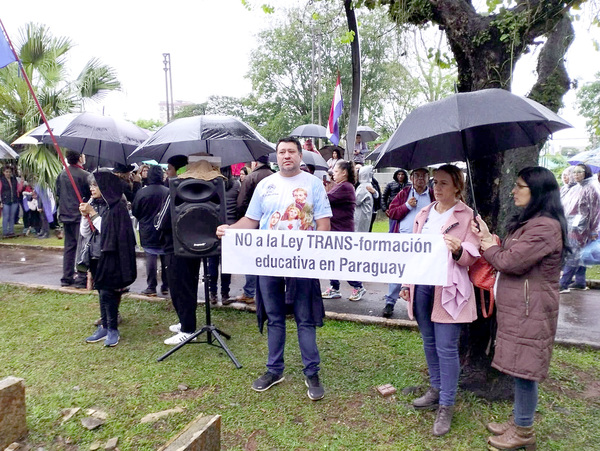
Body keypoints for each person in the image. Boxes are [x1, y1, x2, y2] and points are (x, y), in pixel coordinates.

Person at [217, 136, 332, 401]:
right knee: (274, 317)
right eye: (282, 152)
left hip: (302, 263)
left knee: (305, 318)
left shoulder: (314, 185)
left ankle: (312, 372)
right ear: (276, 157)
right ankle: (274, 369)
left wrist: (316, 255)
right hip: (268, 261)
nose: (286, 156)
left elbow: (324, 225)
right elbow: (251, 220)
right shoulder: (265, 185)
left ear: (300, 156)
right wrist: (230, 229)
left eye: (291, 151)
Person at [471, 167, 568, 451]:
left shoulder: (544, 227)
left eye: (520, 186)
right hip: (522, 309)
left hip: (532, 310)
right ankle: (519, 421)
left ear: (537, 191)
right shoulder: (534, 222)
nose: (513, 190)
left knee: (525, 370)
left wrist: (489, 247)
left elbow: (510, 262)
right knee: (519, 367)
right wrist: (489, 237)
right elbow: (511, 254)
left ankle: (523, 431)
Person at [399, 164, 480, 437]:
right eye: (435, 182)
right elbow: (414, 251)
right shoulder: (424, 213)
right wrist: (407, 283)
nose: (437, 187)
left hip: (449, 288)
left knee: (446, 347)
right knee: (428, 340)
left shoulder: (468, 216)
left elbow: (472, 255)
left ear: (457, 186)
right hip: (423, 284)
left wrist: (459, 251)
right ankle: (435, 388)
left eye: (444, 183)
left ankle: (447, 404)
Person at [80, 169, 137, 347]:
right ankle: (104, 326)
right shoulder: (93, 203)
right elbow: (86, 232)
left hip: (111, 257)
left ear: (106, 186)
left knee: (108, 292)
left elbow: (109, 232)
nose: (92, 188)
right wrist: (85, 216)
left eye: (96, 184)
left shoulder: (117, 206)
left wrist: (93, 214)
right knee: (101, 291)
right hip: (96, 255)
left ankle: (112, 329)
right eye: (91, 185)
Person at [382, 168, 434, 318]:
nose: (420, 179)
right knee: (398, 270)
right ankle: (390, 302)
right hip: (403, 240)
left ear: (428, 178)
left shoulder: (432, 194)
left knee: (421, 273)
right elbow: (391, 212)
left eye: (423, 176)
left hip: (424, 242)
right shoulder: (404, 193)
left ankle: (418, 306)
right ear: (411, 178)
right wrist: (407, 206)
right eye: (417, 176)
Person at [231, 154, 274, 304]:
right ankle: (267, 293)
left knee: (251, 259)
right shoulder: (274, 176)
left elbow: (241, 203)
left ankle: (249, 292)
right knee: (268, 259)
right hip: (270, 225)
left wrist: (240, 221)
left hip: (251, 224)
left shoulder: (251, 177)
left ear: (255, 162)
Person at [320, 160, 366, 302]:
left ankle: (358, 287)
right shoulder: (341, 186)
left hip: (342, 232)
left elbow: (326, 199)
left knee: (342, 263)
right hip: (335, 230)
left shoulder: (346, 187)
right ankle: (335, 287)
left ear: (344, 172)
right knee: (331, 261)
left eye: (336, 171)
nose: (333, 174)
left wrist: (319, 190)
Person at [559, 163, 600, 292]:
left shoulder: (591, 188)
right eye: (574, 172)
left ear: (586, 173)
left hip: (583, 228)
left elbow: (595, 212)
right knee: (578, 254)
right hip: (572, 226)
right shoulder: (576, 188)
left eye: (579, 172)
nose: (575, 175)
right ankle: (580, 281)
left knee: (573, 255)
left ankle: (563, 283)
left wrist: (594, 230)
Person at [132, 165, 170, 296]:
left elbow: (135, 211)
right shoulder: (168, 192)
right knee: (165, 258)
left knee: (150, 257)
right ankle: (166, 285)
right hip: (164, 230)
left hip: (147, 229)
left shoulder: (142, 192)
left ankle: (151, 286)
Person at [56, 151, 91, 287]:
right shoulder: (85, 175)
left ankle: (66, 276)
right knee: (82, 247)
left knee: (69, 247)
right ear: (79, 158)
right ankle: (81, 277)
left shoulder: (62, 174)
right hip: (79, 215)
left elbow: (58, 193)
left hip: (65, 214)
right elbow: (90, 195)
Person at [208, 166, 240, 305]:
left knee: (212, 262)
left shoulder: (212, 185)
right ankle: (225, 294)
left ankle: (212, 293)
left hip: (214, 227)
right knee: (226, 264)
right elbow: (240, 205)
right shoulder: (236, 185)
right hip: (230, 227)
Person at [1, 165, 22, 237]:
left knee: (12, 216)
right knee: (6, 216)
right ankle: (5, 232)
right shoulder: (1, 180)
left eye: (9, 172)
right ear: (4, 172)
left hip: (14, 200)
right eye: (6, 172)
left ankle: (11, 231)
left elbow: (18, 189)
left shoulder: (14, 179)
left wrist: (21, 183)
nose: (8, 173)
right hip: (5, 201)